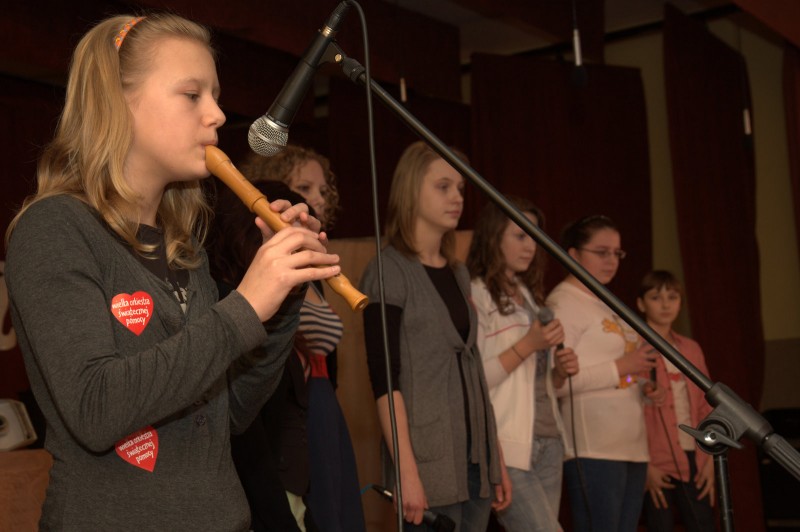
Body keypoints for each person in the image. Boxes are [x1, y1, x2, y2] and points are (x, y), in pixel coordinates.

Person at [3, 13, 340, 531]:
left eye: (216, 94)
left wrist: (283, 296)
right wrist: (245, 305)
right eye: (192, 95)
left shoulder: (183, 249)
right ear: (117, 103)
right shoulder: (54, 229)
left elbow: (228, 415)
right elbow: (95, 408)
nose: (218, 114)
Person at [360, 141, 511, 532]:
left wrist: (498, 461)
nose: (457, 198)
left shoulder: (459, 273)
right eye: (443, 187)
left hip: (476, 464)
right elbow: (384, 379)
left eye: (460, 189)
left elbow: (473, 370)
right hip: (427, 465)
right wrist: (405, 472)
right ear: (412, 189)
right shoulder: (387, 271)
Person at [226, 147, 366, 532]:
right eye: (305, 187)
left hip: (318, 403)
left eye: (323, 189)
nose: (317, 199)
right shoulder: (257, 268)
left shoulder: (311, 269)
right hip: (282, 411)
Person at [466, 198, 579, 531]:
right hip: (508, 446)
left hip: (549, 440)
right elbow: (475, 379)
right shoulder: (477, 293)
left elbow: (538, 381)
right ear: (493, 236)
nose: (531, 245)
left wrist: (558, 372)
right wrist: (529, 343)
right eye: (520, 235)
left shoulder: (528, 294)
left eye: (534, 236)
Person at [545, 215, 661, 532]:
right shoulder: (563, 303)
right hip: (593, 445)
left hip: (630, 443)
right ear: (573, 254)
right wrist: (622, 367)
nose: (612, 261)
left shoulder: (607, 302)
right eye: (602, 252)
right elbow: (555, 383)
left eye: (617, 253)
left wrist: (641, 385)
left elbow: (618, 372)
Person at [635, 270, 715, 531]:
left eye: (672, 297)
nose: (666, 304)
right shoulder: (633, 346)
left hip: (694, 453)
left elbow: (705, 406)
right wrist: (644, 465)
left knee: (702, 522)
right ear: (641, 303)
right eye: (656, 297)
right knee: (660, 524)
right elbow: (624, 396)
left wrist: (710, 458)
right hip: (654, 457)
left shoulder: (690, 349)